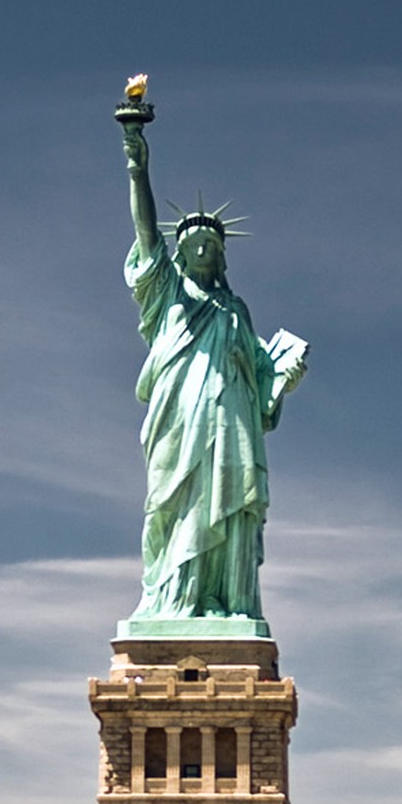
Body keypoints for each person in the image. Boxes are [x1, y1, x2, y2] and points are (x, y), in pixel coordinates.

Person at [119, 117, 306, 623]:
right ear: (178, 253)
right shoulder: (168, 294)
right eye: (193, 242)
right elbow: (144, 232)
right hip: (179, 415)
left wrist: (282, 379)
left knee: (227, 501)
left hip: (232, 419)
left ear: (221, 255)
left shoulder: (235, 311)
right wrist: (138, 166)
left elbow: (261, 383)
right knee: (175, 506)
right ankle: (174, 600)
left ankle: (226, 600)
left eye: (211, 244)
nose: (202, 248)